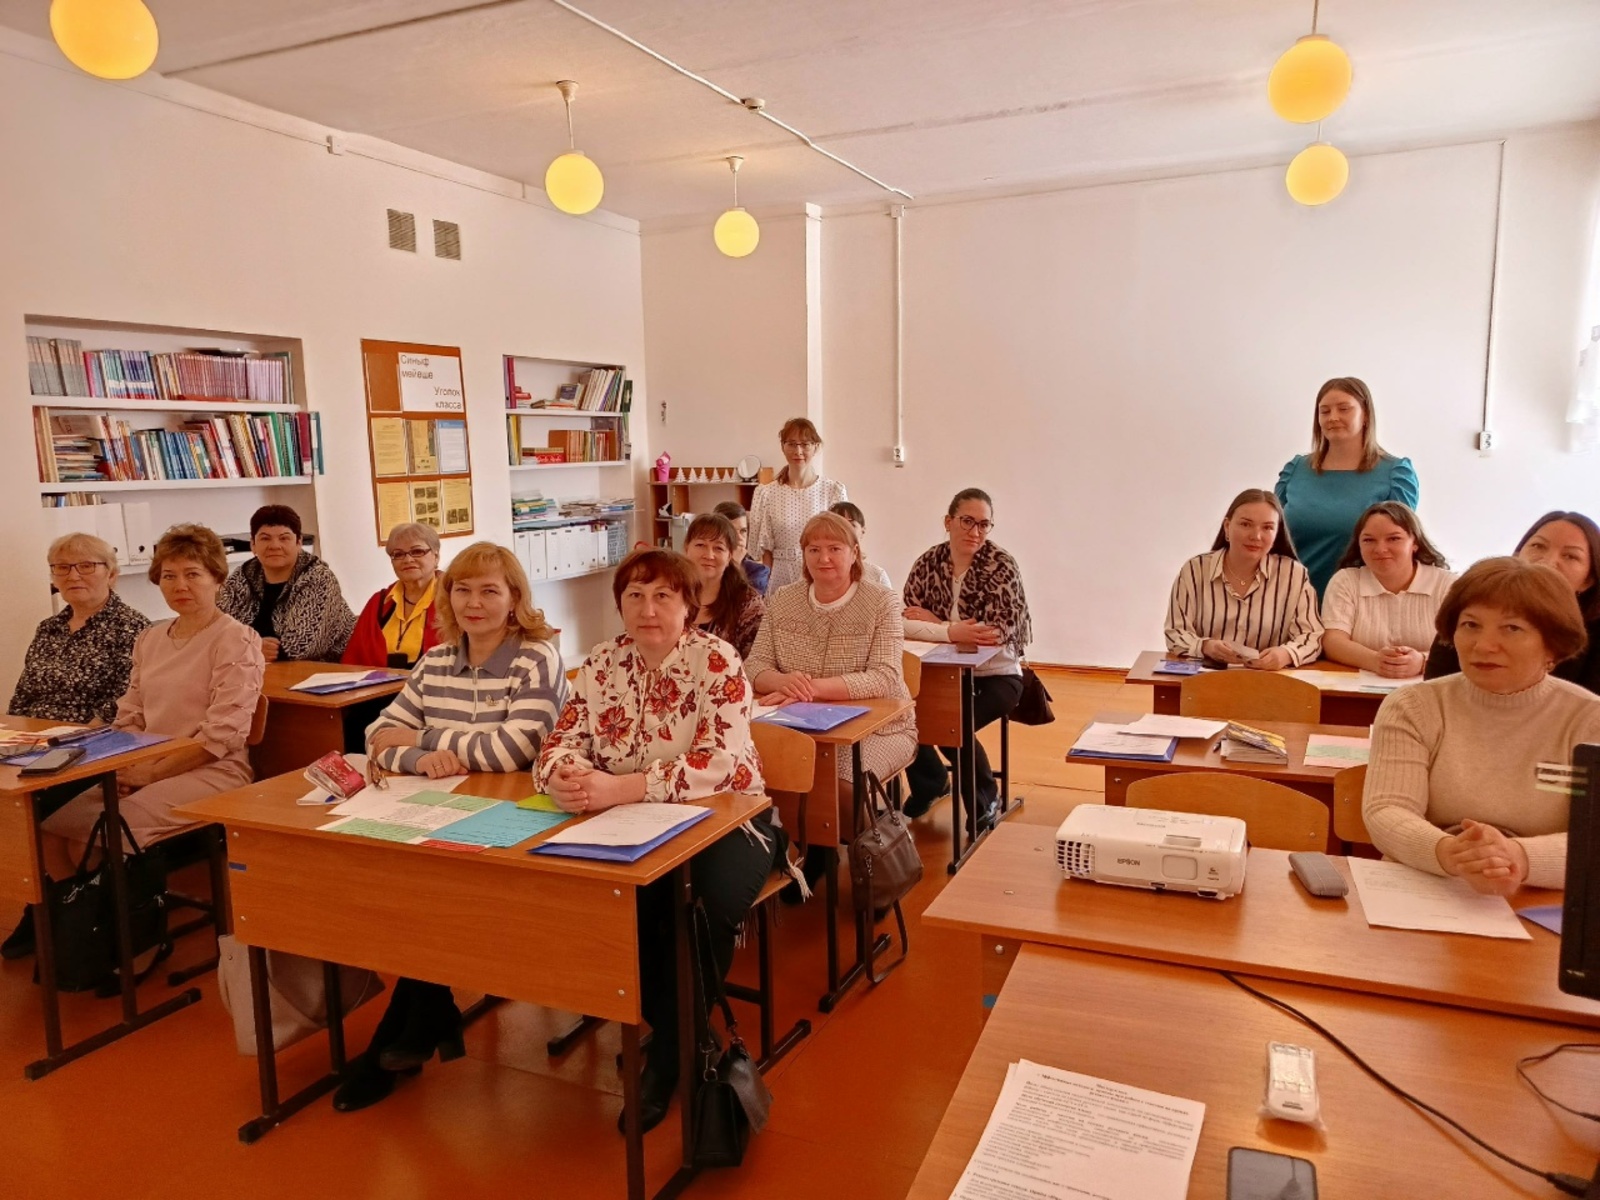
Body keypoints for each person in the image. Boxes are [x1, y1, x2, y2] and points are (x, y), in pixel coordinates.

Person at [535, 549, 776, 1135]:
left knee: (703, 910)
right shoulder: (600, 663)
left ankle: (668, 1057)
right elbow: (558, 742)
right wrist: (564, 776)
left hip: (729, 819)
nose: (647, 609)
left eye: (663, 596)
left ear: (689, 605)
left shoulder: (717, 661)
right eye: (635, 596)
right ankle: (687, 1035)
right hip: (628, 826)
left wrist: (622, 787)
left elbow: (718, 763)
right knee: (622, 909)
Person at [333, 542, 566, 1113]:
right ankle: (422, 1014)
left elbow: (517, 749)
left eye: (490, 590)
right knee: (392, 884)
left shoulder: (536, 657)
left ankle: (401, 1035)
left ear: (514, 600)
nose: (474, 602)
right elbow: (376, 735)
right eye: (462, 589)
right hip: (436, 808)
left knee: (435, 894)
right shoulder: (436, 661)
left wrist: (427, 741)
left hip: (519, 819)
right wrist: (420, 759)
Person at [36, 524, 264, 875]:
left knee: (95, 837)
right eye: (169, 576)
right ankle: (75, 922)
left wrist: (152, 774)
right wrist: (127, 769)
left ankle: (115, 923)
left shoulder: (236, 639)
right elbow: (129, 716)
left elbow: (223, 735)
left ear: (218, 578)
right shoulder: (151, 637)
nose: (180, 586)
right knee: (50, 832)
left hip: (212, 770)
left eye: (193, 574)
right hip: (146, 764)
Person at [1364, 558, 1600, 895]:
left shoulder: (1589, 720)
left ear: (1553, 644)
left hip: (1544, 901)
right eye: (1471, 625)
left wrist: (1517, 857)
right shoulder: (1413, 707)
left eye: (1512, 628)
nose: (1484, 645)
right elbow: (1386, 811)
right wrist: (1451, 853)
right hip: (1425, 888)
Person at [746, 512, 917, 782]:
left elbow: (884, 676)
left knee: (836, 779)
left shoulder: (881, 601)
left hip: (878, 730)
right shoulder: (783, 598)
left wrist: (811, 689)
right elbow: (754, 665)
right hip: (795, 723)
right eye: (813, 550)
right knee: (754, 771)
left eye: (835, 549)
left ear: (854, 553)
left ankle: (856, 824)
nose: (823, 558)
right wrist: (781, 681)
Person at [901, 489, 1032, 828]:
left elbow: (994, 633)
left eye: (984, 525)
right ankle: (931, 782)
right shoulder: (928, 562)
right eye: (967, 521)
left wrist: (938, 625)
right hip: (939, 672)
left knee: (951, 724)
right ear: (949, 522)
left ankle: (985, 800)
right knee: (902, 715)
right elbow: (904, 619)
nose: (975, 532)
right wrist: (954, 631)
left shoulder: (1001, 566)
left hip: (997, 676)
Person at [1426, 511, 1600, 695]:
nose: (1548, 561)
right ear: (1518, 554)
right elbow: (1436, 685)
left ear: (1589, 579)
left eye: (1570, 556)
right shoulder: (1474, 606)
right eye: (1538, 546)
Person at [1275, 378, 1419, 597]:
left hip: (1361, 603)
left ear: (1366, 416)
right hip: (1291, 599)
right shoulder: (1296, 469)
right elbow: (1271, 534)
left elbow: (1398, 548)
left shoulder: (1396, 473)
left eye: (1344, 409)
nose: (1333, 417)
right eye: (1324, 411)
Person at [1165, 488, 1323, 668]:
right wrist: (1205, 646)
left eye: (1267, 527)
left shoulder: (1294, 574)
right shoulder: (1195, 570)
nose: (1255, 536)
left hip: (1269, 682)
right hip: (1206, 679)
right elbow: (1175, 632)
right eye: (1246, 524)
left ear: (1276, 533)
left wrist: (1286, 654)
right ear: (1227, 526)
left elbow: (1312, 636)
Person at [9, 533, 149, 725]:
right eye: (63, 567)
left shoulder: (133, 627)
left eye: (86, 566)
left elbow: (127, 699)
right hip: (33, 737)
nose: (73, 576)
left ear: (111, 574)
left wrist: (80, 738)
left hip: (91, 738)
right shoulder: (48, 628)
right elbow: (22, 698)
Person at [1321, 503, 1455, 677]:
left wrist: (1423, 661)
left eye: (1393, 539)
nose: (1380, 549)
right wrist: (1375, 661)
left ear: (1415, 543)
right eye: (1369, 540)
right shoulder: (1345, 581)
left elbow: (1463, 644)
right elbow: (1332, 642)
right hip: (1357, 690)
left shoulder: (1447, 584)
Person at [218, 504, 355, 662]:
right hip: (258, 673)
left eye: (284, 538)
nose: (275, 546)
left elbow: (299, 648)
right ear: (253, 545)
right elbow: (216, 630)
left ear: (299, 542)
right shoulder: (243, 576)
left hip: (328, 674)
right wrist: (253, 647)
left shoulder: (318, 578)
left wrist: (245, 648)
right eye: (265, 538)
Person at [748, 418, 847, 592]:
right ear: (782, 447)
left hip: (820, 572)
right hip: (780, 576)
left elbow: (842, 543)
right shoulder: (765, 493)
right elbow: (763, 551)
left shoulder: (833, 490)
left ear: (815, 447)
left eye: (805, 444)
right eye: (792, 444)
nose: (798, 451)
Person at [341, 523, 443, 669]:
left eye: (417, 551)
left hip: (433, 688)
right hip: (378, 689)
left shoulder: (451, 599)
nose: (407, 560)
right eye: (398, 554)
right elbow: (354, 660)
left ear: (436, 556)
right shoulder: (378, 603)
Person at [683, 513, 765, 659]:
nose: (709, 555)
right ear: (686, 548)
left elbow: (755, 663)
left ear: (729, 556)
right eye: (700, 545)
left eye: (718, 548)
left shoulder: (748, 603)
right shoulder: (671, 592)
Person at [830, 501, 893, 590]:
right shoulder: (814, 573)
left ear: (862, 531)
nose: (844, 530)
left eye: (851, 525)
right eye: (837, 524)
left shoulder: (877, 576)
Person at [714, 500, 770, 594]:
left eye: (743, 531)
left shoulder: (758, 571)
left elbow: (744, 603)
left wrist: (735, 564)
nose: (739, 538)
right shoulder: (708, 565)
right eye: (732, 531)